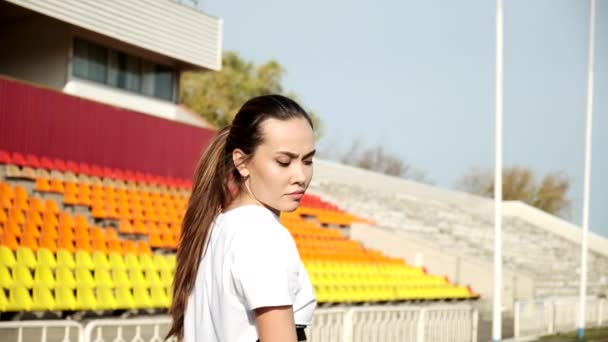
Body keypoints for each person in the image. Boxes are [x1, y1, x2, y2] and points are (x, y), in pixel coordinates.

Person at [167, 95, 317, 342]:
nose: (301, 175)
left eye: (308, 160)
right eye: (284, 161)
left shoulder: (214, 227)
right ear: (242, 162)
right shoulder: (263, 234)